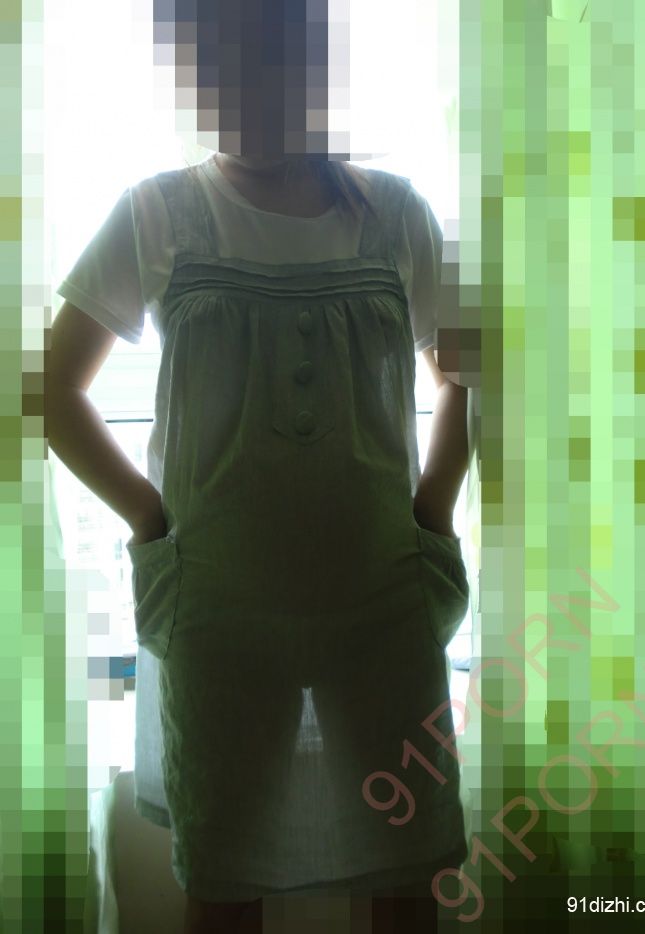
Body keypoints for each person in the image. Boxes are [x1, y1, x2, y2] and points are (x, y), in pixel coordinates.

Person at [45, 2, 471, 931]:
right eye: (209, 71)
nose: (232, 91)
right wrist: (150, 521)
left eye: (257, 63)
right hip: (220, 609)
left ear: (311, 67)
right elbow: (53, 390)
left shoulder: (395, 214)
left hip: (384, 598)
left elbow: (461, 378)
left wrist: (434, 516)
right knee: (224, 879)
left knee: (407, 874)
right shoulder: (158, 212)